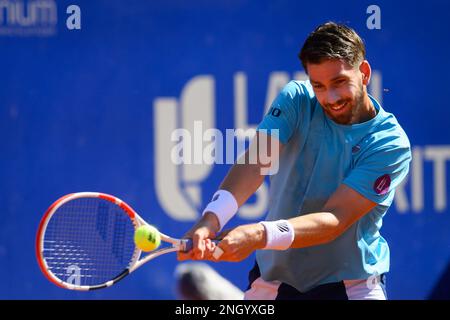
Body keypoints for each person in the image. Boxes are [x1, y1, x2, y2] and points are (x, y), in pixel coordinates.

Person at [178, 22, 411, 300]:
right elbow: (256, 163)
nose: (331, 97)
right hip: (274, 281)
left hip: (352, 286)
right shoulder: (296, 99)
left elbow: (335, 219)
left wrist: (258, 235)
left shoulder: (389, 143)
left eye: (339, 82)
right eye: (319, 86)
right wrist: (211, 220)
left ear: (364, 73)